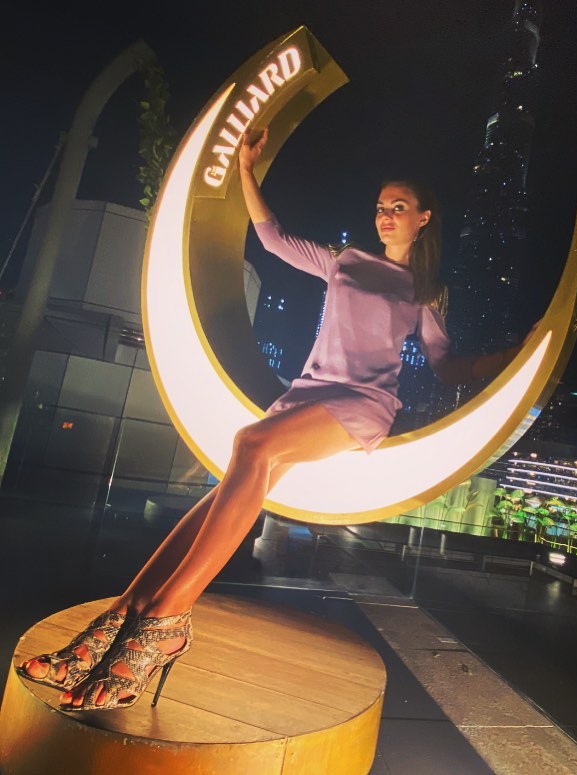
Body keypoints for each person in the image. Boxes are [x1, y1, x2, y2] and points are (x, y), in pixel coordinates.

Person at [17, 128, 535, 711]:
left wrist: (510, 357)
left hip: (362, 404)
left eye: (398, 207)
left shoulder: (427, 291)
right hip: (307, 394)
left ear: (423, 218)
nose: (386, 216)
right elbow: (273, 238)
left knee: (251, 445)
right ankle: (123, 615)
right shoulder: (344, 260)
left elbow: (445, 366)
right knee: (220, 495)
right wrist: (245, 169)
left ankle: (164, 621)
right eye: (380, 207)